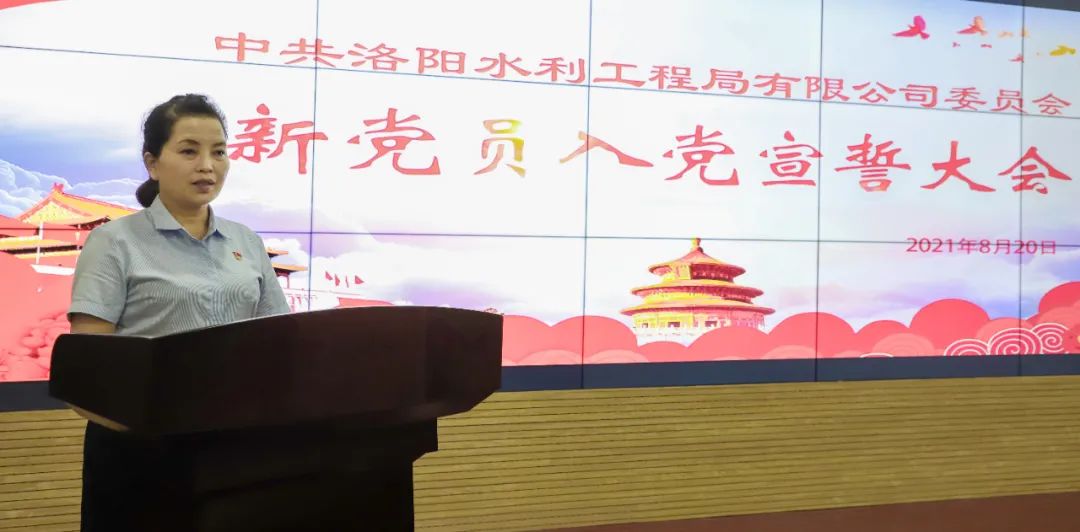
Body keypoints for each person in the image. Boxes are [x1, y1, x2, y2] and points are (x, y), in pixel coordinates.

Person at [66, 93, 290, 531]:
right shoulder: (114, 242)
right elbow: (87, 369)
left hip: (238, 448)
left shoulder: (246, 241)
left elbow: (280, 343)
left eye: (218, 152)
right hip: (140, 453)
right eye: (189, 151)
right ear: (152, 163)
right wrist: (144, 430)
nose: (207, 166)